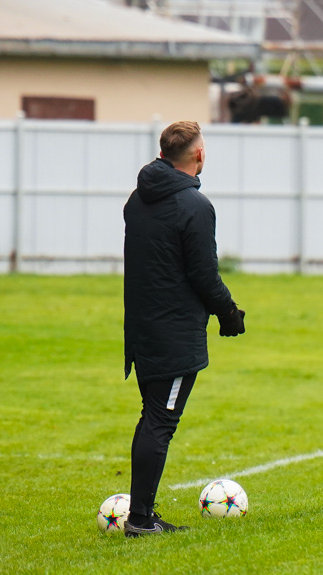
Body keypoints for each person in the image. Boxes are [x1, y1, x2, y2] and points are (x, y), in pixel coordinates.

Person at [123, 121, 246, 536]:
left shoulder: (138, 199)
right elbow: (203, 276)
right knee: (159, 420)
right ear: (198, 156)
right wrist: (229, 314)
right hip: (172, 333)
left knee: (152, 415)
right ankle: (139, 519)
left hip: (142, 329)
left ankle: (143, 514)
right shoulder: (195, 207)